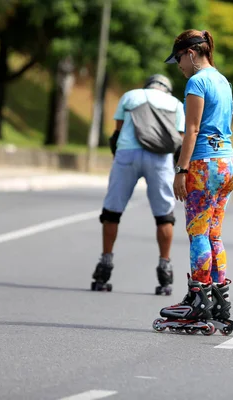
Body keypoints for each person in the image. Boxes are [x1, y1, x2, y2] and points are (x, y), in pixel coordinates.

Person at [155, 29, 233, 335]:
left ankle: (197, 297)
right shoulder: (223, 80)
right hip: (228, 165)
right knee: (214, 233)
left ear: (191, 54)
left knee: (197, 232)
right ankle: (219, 297)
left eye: (178, 58)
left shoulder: (197, 81)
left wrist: (181, 170)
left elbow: (191, 130)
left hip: (205, 165)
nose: (178, 65)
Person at [91, 74, 185, 294]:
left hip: (127, 155)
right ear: (167, 89)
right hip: (160, 159)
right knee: (164, 216)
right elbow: (179, 139)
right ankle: (165, 272)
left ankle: (105, 267)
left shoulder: (131, 96)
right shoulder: (176, 104)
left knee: (112, 212)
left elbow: (117, 133)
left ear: (148, 85)